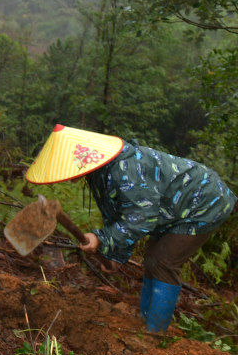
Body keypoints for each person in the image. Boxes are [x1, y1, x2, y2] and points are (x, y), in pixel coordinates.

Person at [26, 124, 237, 333]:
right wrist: (114, 256)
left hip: (205, 203)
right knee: (152, 260)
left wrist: (100, 239)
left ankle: (156, 331)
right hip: (173, 210)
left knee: (164, 262)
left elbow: (140, 218)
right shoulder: (100, 172)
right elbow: (120, 214)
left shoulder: (123, 170)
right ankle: (146, 319)